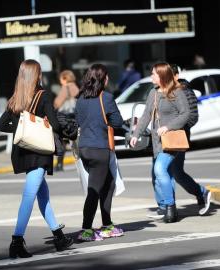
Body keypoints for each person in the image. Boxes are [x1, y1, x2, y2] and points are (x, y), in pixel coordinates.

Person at [0, 60, 73, 258]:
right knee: (29, 196)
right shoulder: (43, 95)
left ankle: (59, 236)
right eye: (39, 73)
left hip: (22, 151)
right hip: (39, 152)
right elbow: (55, 125)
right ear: (36, 75)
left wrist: (22, 127)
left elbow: (1, 125)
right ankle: (16, 241)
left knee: (42, 195)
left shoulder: (16, 98)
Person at [148, 64, 211, 219]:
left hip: (176, 139)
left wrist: (175, 129)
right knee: (163, 172)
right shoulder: (157, 92)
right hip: (161, 139)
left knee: (173, 172)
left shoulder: (183, 91)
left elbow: (191, 116)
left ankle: (200, 193)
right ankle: (167, 207)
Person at [130, 62, 190, 223]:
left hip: (171, 141)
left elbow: (185, 114)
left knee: (159, 169)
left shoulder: (177, 92)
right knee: (163, 175)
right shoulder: (153, 93)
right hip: (157, 142)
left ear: (162, 76)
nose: (151, 76)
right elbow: (145, 116)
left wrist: (168, 127)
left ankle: (170, 207)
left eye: (153, 74)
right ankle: (167, 208)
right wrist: (136, 134)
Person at [75, 63, 124, 241]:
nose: (108, 79)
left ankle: (107, 224)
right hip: (99, 149)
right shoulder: (107, 98)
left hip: (85, 149)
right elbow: (117, 123)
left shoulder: (80, 99)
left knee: (108, 184)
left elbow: (79, 122)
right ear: (103, 79)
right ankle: (86, 229)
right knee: (94, 190)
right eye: (107, 76)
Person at [53, 70, 79, 171]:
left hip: (65, 118)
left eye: (61, 78)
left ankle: (59, 164)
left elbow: (58, 102)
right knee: (75, 140)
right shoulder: (75, 87)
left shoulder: (66, 87)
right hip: (74, 117)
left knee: (61, 141)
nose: (60, 81)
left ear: (65, 78)